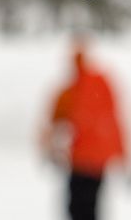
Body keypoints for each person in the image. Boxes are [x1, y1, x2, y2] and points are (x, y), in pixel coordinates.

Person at [42, 41, 126, 220]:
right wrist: (121, 151)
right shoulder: (101, 83)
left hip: (80, 162)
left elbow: (53, 121)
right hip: (96, 162)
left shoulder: (71, 90)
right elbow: (115, 119)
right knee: (91, 207)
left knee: (76, 207)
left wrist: (49, 148)